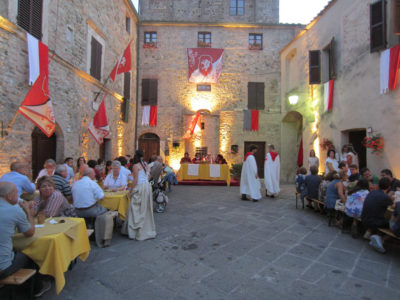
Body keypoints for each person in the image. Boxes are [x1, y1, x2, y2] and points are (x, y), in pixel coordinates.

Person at [0, 182, 51, 297]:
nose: (18, 196)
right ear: (9, 196)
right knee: (29, 254)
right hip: (2, 267)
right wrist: (28, 211)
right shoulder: (14, 209)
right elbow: (30, 232)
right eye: (16, 193)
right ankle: (36, 289)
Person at [72, 168, 114, 247]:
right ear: (89, 175)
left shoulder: (75, 183)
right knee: (107, 209)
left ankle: (89, 226)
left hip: (77, 211)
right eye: (93, 173)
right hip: (90, 210)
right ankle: (101, 234)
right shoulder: (92, 183)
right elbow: (102, 197)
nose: (95, 175)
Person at [122, 150, 156, 240]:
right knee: (145, 208)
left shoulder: (135, 166)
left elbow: (135, 179)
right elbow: (149, 176)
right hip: (147, 187)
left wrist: (131, 191)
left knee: (135, 207)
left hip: (140, 187)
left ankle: (136, 230)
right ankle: (145, 228)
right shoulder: (145, 165)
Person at [362, 177, 393, 253]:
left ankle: (369, 232)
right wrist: (391, 197)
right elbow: (393, 208)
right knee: (393, 224)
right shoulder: (385, 197)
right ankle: (381, 239)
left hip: (364, 218)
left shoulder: (372, 192)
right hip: (374, 221)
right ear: (389, 187)